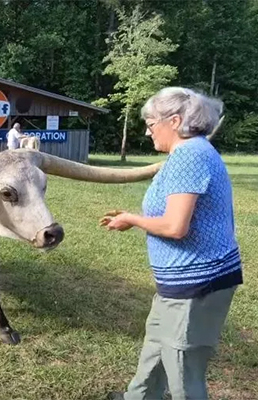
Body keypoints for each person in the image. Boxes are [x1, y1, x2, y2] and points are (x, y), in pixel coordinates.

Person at [101, 87, 243, 400]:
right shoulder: (190, 152)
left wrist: (133, 219)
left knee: (182, 366)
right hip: (180, 283)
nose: (147, 131)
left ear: (175, 121)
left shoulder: (189, 157)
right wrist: (135, 217)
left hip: (198, 284)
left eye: (151, 124)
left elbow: (175, 226)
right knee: (156, 345)